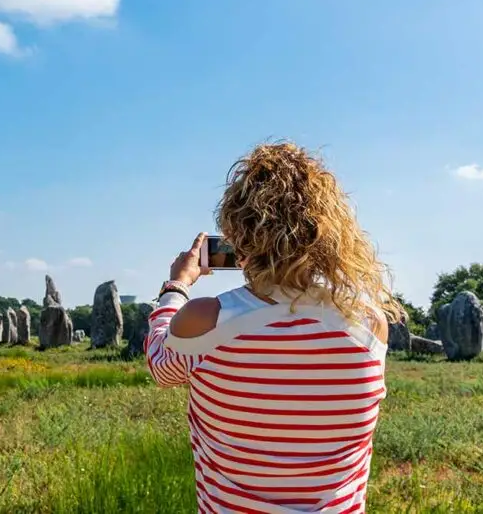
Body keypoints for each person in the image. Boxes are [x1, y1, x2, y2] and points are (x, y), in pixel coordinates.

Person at [146, 142, 401, 514]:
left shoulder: (206, 321)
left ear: (238, 235)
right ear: (327, 235)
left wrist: (177, 287)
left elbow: (159, 365)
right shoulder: (369, 324)